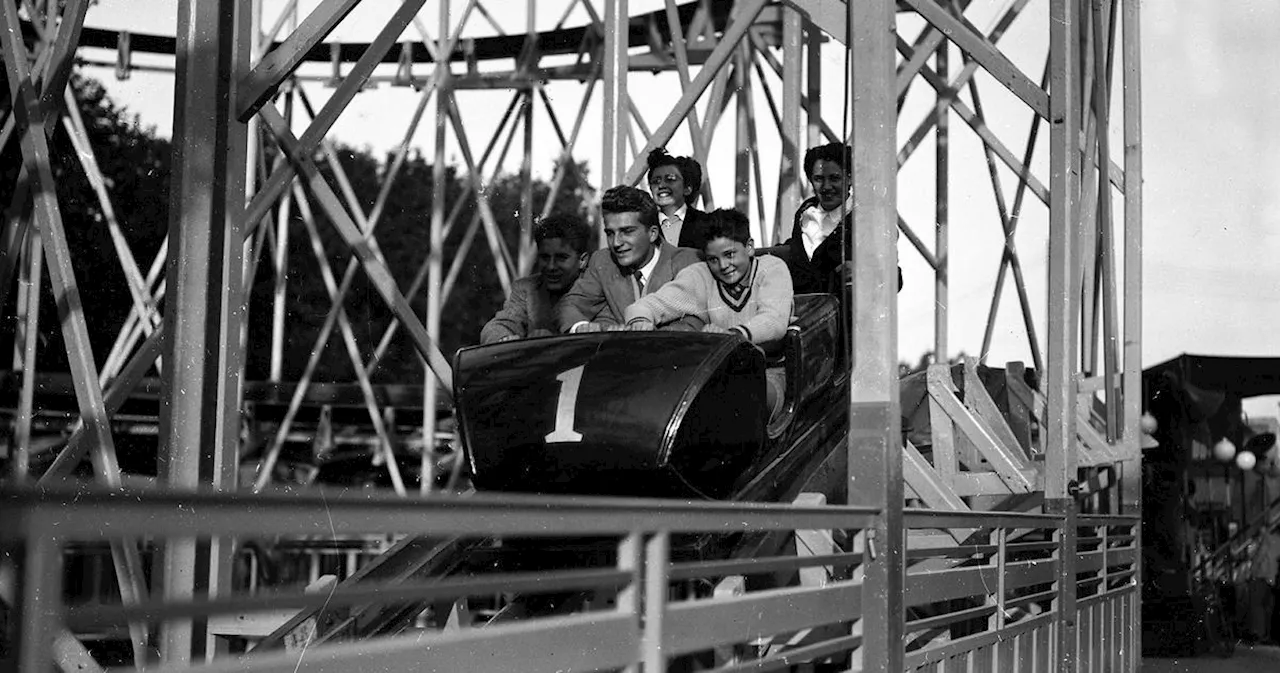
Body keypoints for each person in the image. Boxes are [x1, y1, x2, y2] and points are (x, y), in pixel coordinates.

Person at [623, 208, 793, 421]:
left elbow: (773, 323)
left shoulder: (771, 268)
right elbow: (646, 305)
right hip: (717, 374)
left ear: (749, 247)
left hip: (770, 372)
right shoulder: (701, 275)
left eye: (730, 254)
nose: (723, 266)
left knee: (737, 396)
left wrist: (729, 336)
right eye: (713, 259)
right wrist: (641, 321)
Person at [558, 186, 703, 333]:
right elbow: (571, 304)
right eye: (610, 233)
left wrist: (651, 335)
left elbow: (696, 320)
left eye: (627, 232)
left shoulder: (689, 261)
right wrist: (581, 327)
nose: (616, 243)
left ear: (652, 233)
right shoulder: (602, 261)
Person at [783, 142, 902, 294]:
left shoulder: (869, 221)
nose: (826, 187)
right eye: (819, 179)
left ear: (850, 179)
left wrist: (862, 273)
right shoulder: (804, 216)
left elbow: (894, 278)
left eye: (834, 178)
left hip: (845, 315)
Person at [480, 214, 591, 344]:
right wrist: (504, 339)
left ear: (582, 260)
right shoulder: (527, 289)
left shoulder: (598, 285)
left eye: (561, 257)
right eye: (545, 257)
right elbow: (497, 326)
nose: (551, 266)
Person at [646, 147, 710, 250]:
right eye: (656, 181)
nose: (661, 185)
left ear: (687, 188)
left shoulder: (707, 224)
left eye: (670, 179)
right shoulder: (644, 225)